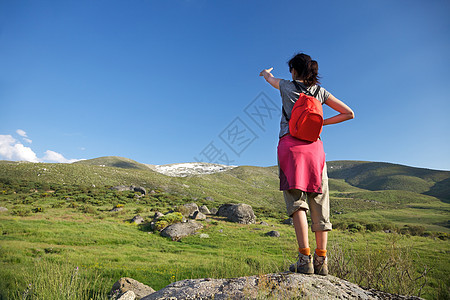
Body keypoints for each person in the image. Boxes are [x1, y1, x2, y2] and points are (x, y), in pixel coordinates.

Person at [259, 53, 354, 275]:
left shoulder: (285, 86)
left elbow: (269, 80)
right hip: (315, 149)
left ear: (293, 70)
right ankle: (322, 262)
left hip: (290, 147)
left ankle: (304, 260)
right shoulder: (320, 92)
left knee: (297, 202)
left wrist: (266, 73)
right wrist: (320, 124)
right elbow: (348, 113)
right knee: (319, 201)